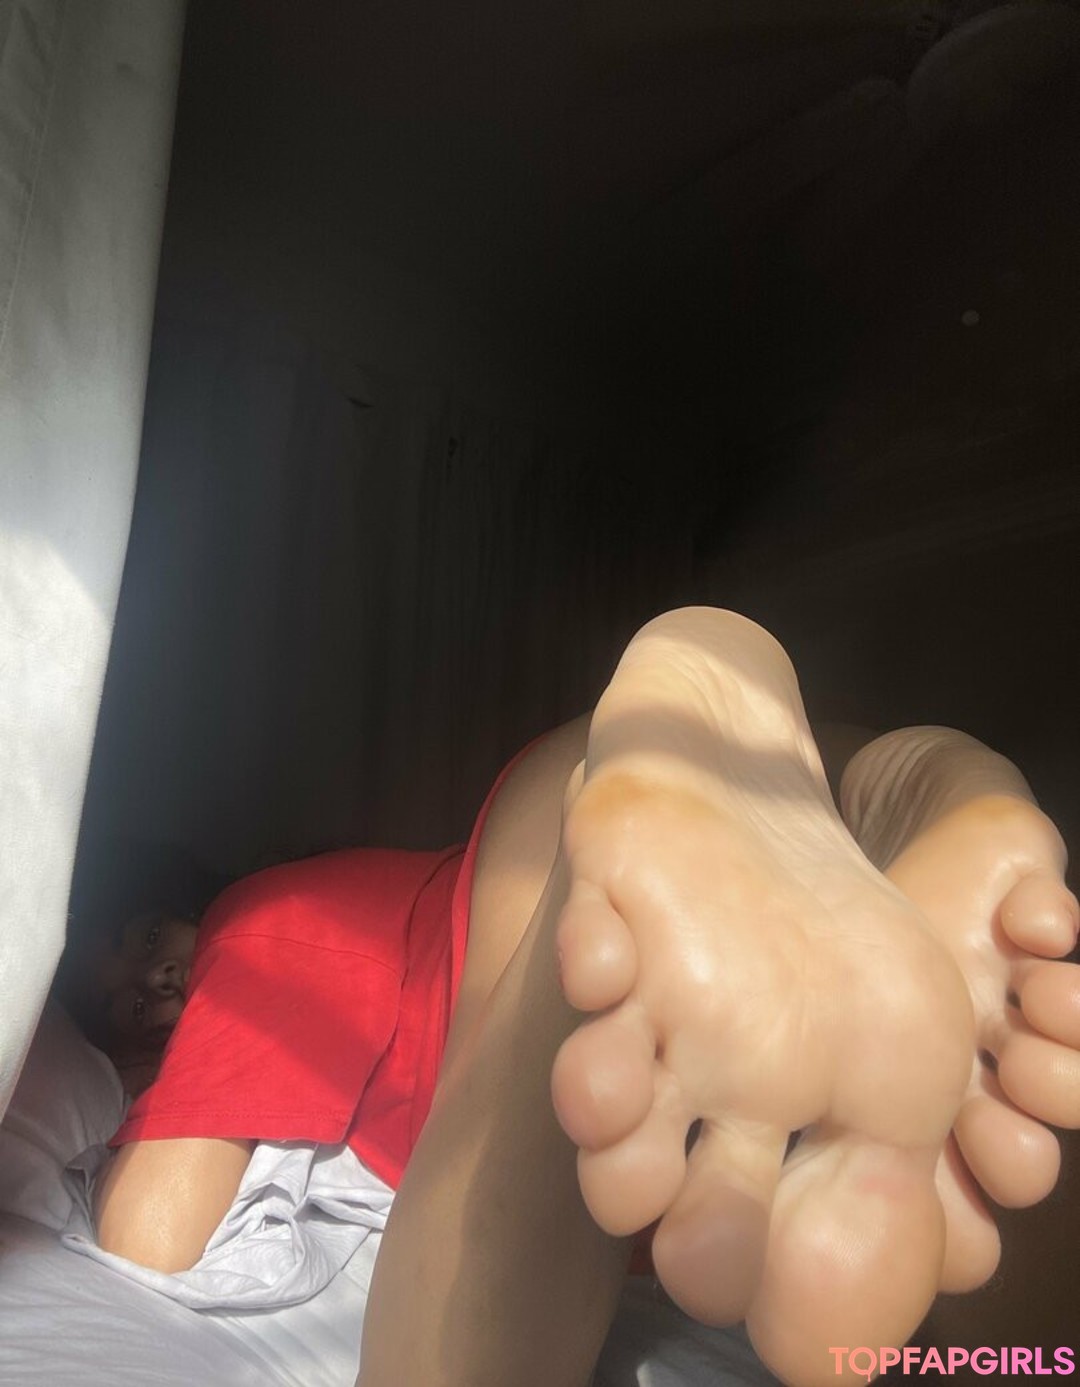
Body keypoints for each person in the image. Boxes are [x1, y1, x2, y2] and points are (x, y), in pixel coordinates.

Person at [67, 609, 1080, 1387]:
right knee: (1003, 1313)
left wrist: (129, 1114)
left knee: (459, 1347)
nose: (155, 980)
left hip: (530, 879)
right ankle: (869, 784)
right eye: (128, 1005)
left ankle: (603, 857)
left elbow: (153, 1235)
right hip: (701, 1048)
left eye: (146, 938)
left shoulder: (258, 925)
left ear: (187, 893)